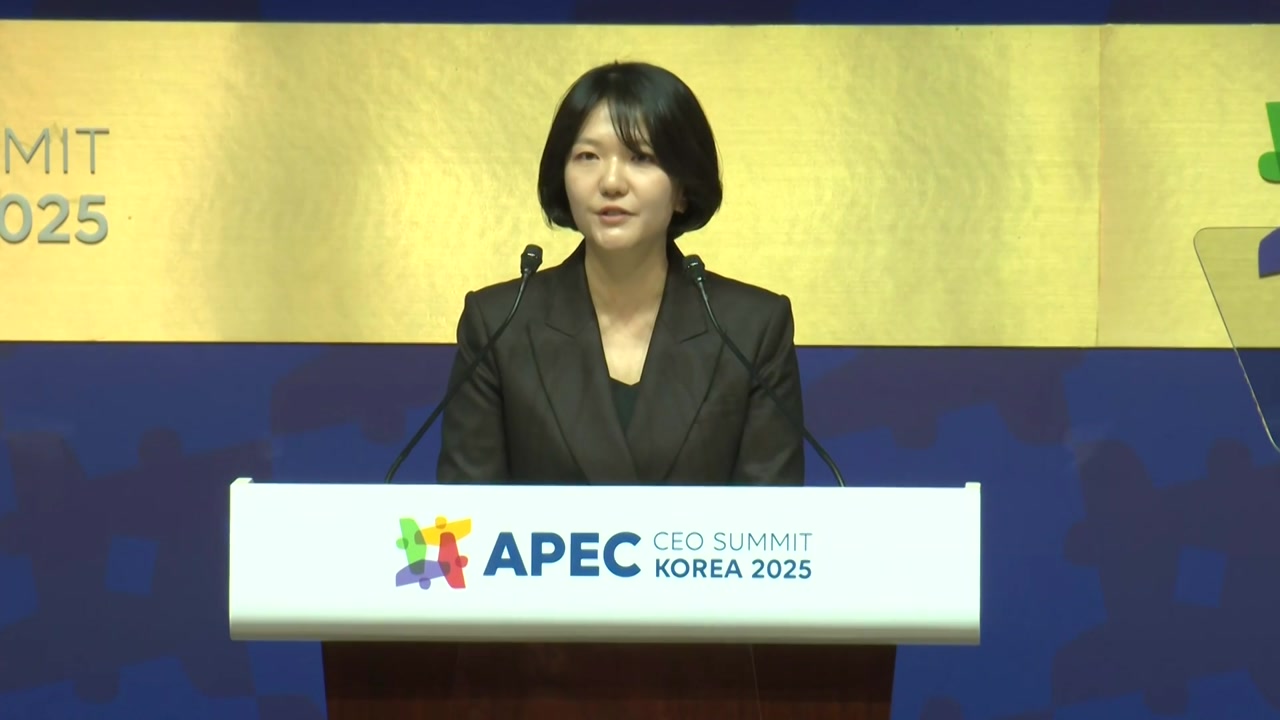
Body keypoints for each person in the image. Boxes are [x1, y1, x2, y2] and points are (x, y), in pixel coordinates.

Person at [436, 60, 805, 486]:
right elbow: (467, 511)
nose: (611, 182)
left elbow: (772, 518)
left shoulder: (750, 330)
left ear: (683, 189)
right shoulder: (500, 325)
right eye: (588, 157)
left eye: (641, 157)